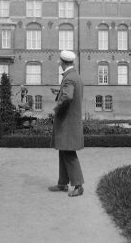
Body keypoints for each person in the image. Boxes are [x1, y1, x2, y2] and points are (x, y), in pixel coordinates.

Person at [49, 50, 85, 197]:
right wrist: (58, 93)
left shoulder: (69, 78)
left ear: (63, 63)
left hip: (67, 123)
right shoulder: (75, 76)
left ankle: (78, 185)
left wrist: (57, 108)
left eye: (61, 63)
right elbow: (70, 94)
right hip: (71, 122)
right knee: (63, 151)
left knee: (69, 153)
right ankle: (62, 183)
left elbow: (68, 97)